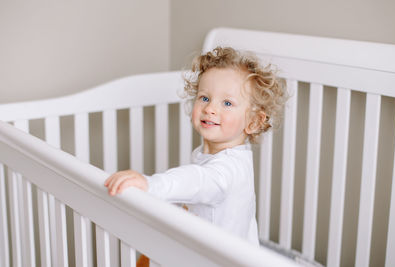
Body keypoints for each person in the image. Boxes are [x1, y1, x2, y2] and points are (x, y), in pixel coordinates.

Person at [104, 47, 287, 246]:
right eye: (205, 98)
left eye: (227, 103)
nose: (210, 109)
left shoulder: (229, 170)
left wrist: (151, 184)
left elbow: (196, 181)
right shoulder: (229, 156)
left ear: (253, 122)